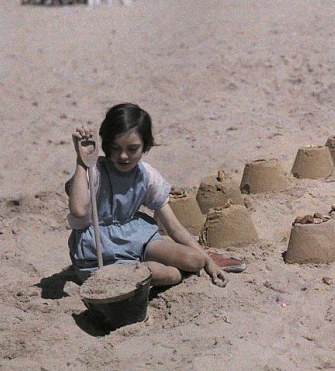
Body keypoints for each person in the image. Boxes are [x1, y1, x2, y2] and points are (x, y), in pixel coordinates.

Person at [67, 103, 227, 287]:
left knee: (194, 260)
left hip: (136, 239)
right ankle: (142, 272)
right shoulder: (95, 171)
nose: (123, 156)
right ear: (106, 144)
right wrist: (82, 161)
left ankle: (144, 271)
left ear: (145, 146)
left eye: (132, 148)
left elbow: (174, 228)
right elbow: (78, 210)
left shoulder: (146, 175)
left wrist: (209, 262)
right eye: (116, 148)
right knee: (172, 275)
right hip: (100, 250)